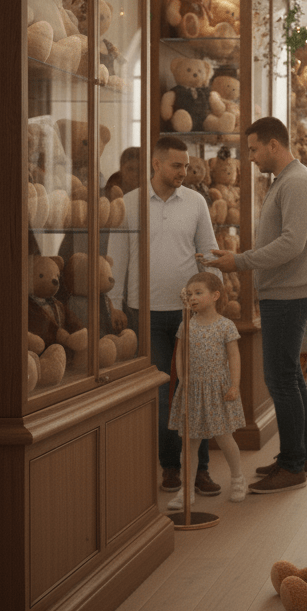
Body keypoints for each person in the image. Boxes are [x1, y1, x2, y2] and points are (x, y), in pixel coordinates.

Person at [205, 117, 307, 494]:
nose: (251, 157)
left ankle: (291, 465)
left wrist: (239, 261)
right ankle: (300, 456)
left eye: (254, 149)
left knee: (281, 379)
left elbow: (292, 244)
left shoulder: (298, 183)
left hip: (290, 294)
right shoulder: (286, 182)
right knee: (289, 376)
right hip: (284, 292)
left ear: (274, 145)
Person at [109, 135, 221, 497]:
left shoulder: (197, 202)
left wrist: (215, 298)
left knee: (198, 390)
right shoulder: (129, 204)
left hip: (193, 314)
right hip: (144, 313)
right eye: (177, 165)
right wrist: (114, 303)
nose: (183, 172)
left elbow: (208, 253)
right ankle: (170, 466)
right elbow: (118, 258)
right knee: (160, 395)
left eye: (186, 166)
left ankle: (201, 469)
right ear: (156, 164)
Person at [167, 273, 247, 510]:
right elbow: (180, 353)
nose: (193, 297)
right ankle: (187, 489)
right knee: (189, 443)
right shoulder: (186, 325)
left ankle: (237, 478)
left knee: (224, 438)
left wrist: (234, 385)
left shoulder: (225, 325)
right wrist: (183, 378)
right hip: (192, 389)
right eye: (190, 293)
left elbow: (234, 357)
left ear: (215, 296)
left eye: (198, 292)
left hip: (217, 390)